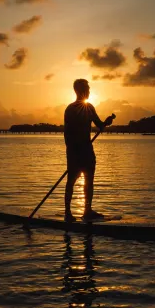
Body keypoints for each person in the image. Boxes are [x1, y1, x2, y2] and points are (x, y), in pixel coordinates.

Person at [64, 79, 114, 222]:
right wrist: (72, 151)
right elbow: (67, 133)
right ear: (81, 91)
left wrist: (106, 122)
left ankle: (87, 210)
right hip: (76, 151)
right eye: (87, 89)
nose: (89, 91)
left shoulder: (89, 108)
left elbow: (100, 126)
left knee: (88, 180)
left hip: (86, 150)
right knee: (72, 181)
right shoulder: (71, 109)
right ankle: (68, 212)